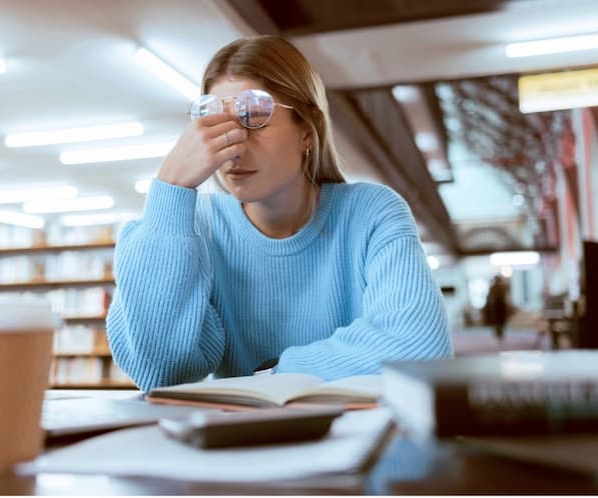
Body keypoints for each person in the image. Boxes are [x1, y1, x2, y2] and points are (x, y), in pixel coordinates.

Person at [106, 35, 452, 390]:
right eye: (213, 122)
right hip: (240, 441)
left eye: (254, 116)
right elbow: (159, 370)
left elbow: (419, 350)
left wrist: (271, 377)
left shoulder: (371, 213)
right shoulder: (195, 229)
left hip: (356, 437)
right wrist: (171, 189)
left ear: (307, 128)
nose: (232, 148)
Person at [485, 275, 509, 341]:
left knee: (501, 321)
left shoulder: (502, 287)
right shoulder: (493, 288)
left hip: (501, 306)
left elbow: (505, 297)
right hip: (495, 307)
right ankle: (497, 333)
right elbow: (489, 297)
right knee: (497, 321)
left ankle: (500, 333)